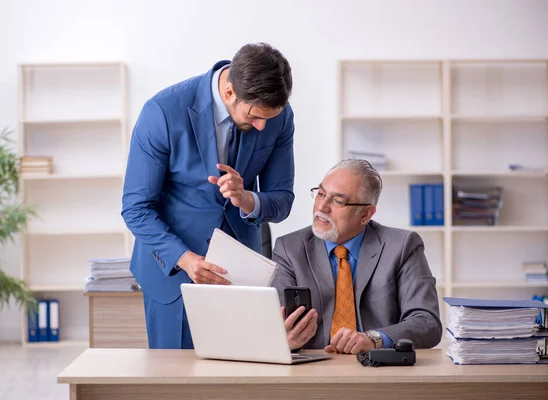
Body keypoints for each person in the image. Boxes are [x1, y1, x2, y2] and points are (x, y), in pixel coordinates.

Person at [121, 43, 296, 349]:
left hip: (241, 277)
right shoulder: (162, 112)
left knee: (240, 385)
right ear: (229, 93)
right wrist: (185, 259)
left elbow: (282, 200)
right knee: (176, 387)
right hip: (173, 273)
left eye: (270, 117)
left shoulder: (276, 116)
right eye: (255, 117)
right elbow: (136, 208)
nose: (263, 126)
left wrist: (247, 199)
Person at [270, 159, 442, 354]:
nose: (322, 207)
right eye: (320, 194)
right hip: (313, 372)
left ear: (365, 214)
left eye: (338, 201)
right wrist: (284, 340)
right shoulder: (289, 249)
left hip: (378, 371)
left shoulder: (402, 246)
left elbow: (427, 323)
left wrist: (374, 339)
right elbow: (271, 322)